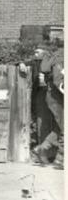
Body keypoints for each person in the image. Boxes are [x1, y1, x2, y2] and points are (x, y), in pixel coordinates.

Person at [32, 37, 63, 170]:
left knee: (60, 126)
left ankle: (43, 148)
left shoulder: (54, 56)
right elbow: (58, 81)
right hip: (57, 96)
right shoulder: (60, 57)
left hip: (53, 95)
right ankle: (61, 159)